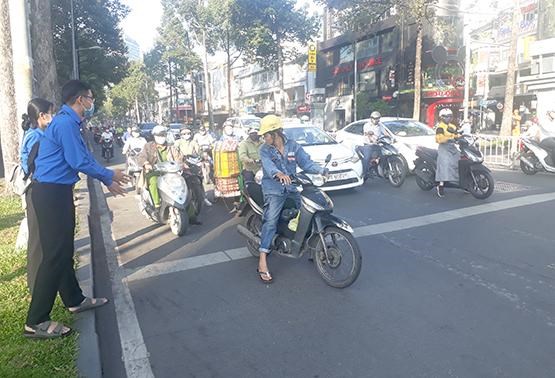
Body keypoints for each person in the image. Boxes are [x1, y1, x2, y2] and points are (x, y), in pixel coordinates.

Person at [25, 80, 128, 339]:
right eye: (91, 98)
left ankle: (74, 299)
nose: (92, 103)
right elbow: (78, 160)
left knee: (63, 251)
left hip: (56, 192)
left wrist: (107, 178)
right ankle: (35, 320)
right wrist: (107, 175)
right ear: (81, 99)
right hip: (50, 193)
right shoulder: (65, 123)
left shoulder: (69, 122)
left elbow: (82, 156)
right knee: (54, 256)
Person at [257, 115, 327, 283]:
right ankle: (262, 261)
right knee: (271, 221)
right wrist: (278, 174)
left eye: (266, 134)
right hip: (273, 189)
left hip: (292, 188)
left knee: (307, 214)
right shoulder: (264, 149)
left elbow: (306, 163)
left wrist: (321, 170)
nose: (264, 138)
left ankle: (313, 247)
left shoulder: (293, 146)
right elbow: (268, 166)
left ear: (276, 133)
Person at [138, 125, 184, 209]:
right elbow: (142, 157)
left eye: (163, 135)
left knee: (183, 182)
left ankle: (190, 212)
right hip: (154, 172)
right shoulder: (148, 146)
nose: (161, 138)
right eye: (158, 136)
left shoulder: (171, 146)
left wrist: (180, 165)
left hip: (171, 173)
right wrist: (146, 164)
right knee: (153, 180)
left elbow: (179, 158)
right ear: (154, 136)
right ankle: (157, 205)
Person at [20, 98, 54, 175]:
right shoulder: (34, 136)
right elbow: (32, 160)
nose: (53, 116)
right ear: (42, 115)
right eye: (51, 113)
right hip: (38, 176)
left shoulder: (41, 132)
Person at [435, 108, 459, 197]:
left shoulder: (453, 126)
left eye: (449, 116)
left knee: (460, 161)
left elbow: (456, 135)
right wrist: (449, 139)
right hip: (444, 148)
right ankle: (440, 185)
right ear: (441, 117)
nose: (448, 118)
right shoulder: (440, 127)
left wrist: (461, 136)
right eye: (446, 116)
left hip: (452, 148)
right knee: (444, 165)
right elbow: (439, 138)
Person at [357, 111, 385, 177]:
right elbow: (367, 134)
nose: (376, 120)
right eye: (374, 118)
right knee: (366, 158)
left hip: (377, 145)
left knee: (383, 155)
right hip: (368, 145)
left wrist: (391, 138)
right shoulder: (367, 125)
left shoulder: (380, 125)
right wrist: (372, 140)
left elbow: (385, 132)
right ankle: (364, 173)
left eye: (378, 118)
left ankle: (380, 171)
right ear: (371, 118)